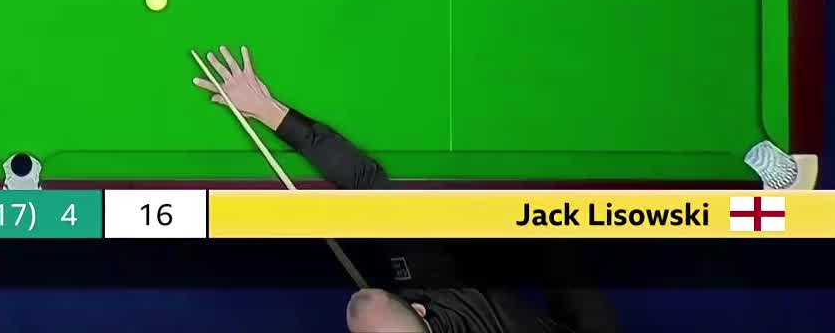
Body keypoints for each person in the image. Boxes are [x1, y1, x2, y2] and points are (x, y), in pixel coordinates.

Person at [193, 46, 621, 333]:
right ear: (416, 309)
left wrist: (269, 111)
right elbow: (365, 180)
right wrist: (267, 109)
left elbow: (365, 182)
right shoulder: (429, 267)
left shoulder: (421, 264)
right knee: (553, 236)